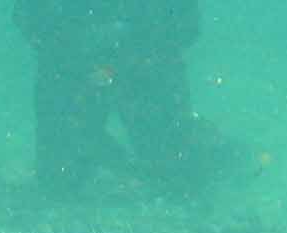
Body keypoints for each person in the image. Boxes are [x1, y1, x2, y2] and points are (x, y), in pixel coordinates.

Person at [12, 0, 236, 192]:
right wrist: (81, 61)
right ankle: (92, 154)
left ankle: (215, 154)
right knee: (59, 181)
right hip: (74, 70)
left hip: (145, 66)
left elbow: (185, 25)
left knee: (178, 177)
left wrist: (134, 59)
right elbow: (32, 20)